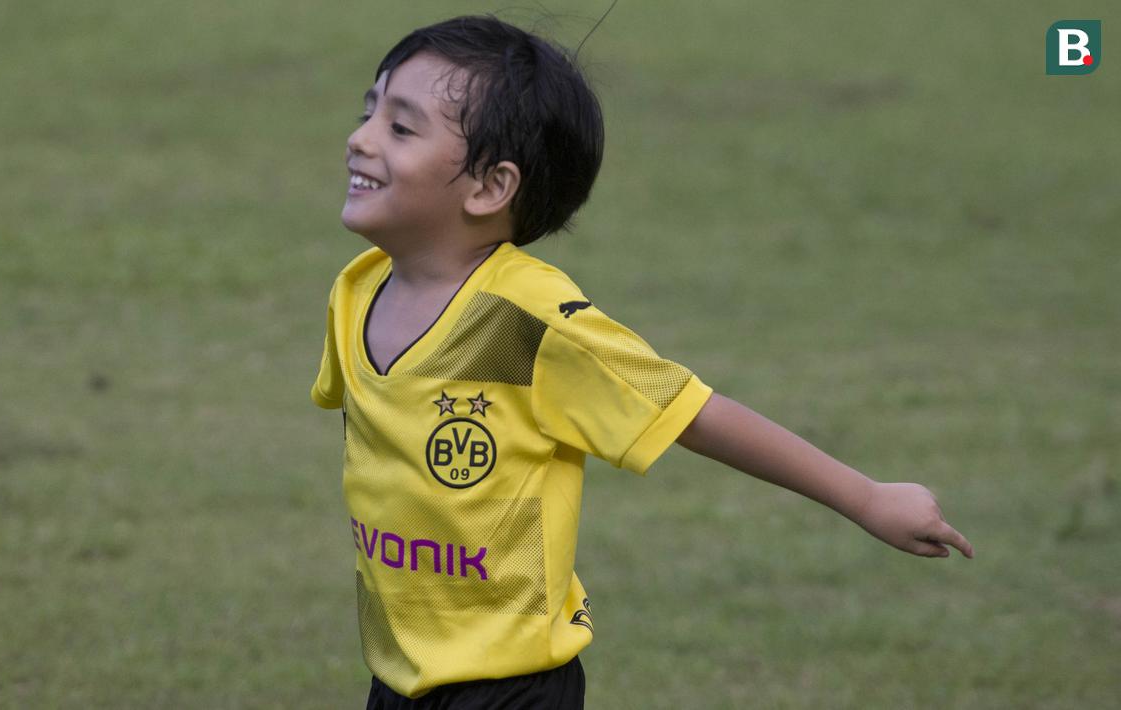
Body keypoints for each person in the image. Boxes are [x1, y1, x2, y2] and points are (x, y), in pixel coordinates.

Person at [310, 15, 973, 710]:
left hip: (508, 684)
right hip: (398, 677)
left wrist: (866, 497)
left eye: (401, 128)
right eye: (369, 110)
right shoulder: (357, 292)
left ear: (488, 188)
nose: (360, 138)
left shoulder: (521, 323)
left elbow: (692, 414)